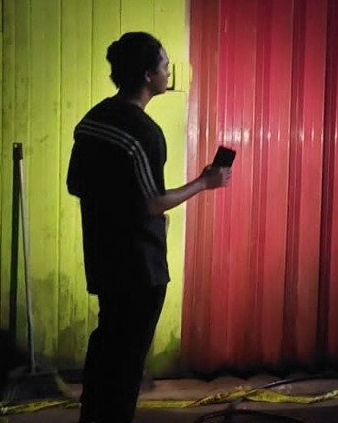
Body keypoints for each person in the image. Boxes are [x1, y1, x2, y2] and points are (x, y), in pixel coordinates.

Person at [67, 32, 231, 423]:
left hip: (103, 257)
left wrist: (117, 208)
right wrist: (204, 183)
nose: (168, 71)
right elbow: (151, 202)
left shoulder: (93, 120)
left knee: (107, 346)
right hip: (139, 265)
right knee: (127, 365)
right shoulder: (141, 132)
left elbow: (76, 183)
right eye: (164, 65)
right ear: (147, 75)